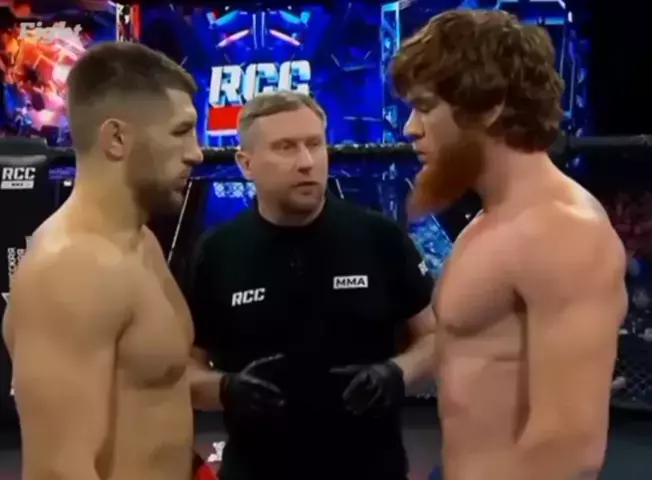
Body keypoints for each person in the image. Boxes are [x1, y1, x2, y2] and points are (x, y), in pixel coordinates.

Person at [390, 9, 627, 480]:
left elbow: (569, 448)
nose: (410, 128)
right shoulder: (493, 219)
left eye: (425, 107)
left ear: (490, 107)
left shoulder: (561, 230)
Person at [184, 90, 437, 480]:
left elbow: (435, 338)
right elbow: (184, 369)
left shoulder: (379, 237)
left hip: (370, 469)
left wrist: (396, 373)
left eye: (315, 144)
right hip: (256, 471)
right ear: (246, 164)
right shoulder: (216, 252)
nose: (306, 162)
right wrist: (224, 389)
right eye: (285, 147)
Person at [1, 42, 203, 480]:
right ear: (116, 139)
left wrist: (225, 389)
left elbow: (150, 382)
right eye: (181, 131)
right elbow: (58, 470)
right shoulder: (71, 266)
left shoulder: (139, 241)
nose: (196, 152)